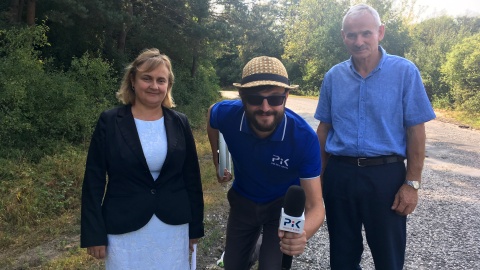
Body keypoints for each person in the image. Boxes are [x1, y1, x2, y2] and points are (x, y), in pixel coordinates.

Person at [315, 4, 436, 270]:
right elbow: (324, 129)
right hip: (341, 175)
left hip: (386, 177)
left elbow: (416, 131)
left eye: (366, 33)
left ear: (380, 32)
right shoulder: (334, 77)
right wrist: (318, 176)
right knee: (342, 257)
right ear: (343, 37)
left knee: (389, 258)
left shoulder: (405, 72)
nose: (359, 42)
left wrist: (412, 184)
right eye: (351, 35)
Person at [80, 48, 204, 269]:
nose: (154, 86)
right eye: (147, 78)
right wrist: (93, 234)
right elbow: (93, 180)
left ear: (168, 86)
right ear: (133, 81)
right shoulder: (110, 121)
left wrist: (195, 228)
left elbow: (192, 178)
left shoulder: (179, 122)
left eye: (161, 80)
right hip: (124, 226)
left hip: (173, 227)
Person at [207, 56, 325, 269]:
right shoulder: (227, 114)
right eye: (254, 98)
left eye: (275, 99)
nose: (265, 108)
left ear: (286, 97)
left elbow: (316, 206)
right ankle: (255, 245)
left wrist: (302, 234)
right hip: (243, 199)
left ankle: (265, 244)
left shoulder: (304, 138)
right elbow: (211, 116)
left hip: (280, 209)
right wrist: (218, 159)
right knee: (232, 266)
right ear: (242, 97)